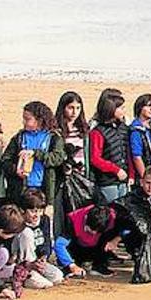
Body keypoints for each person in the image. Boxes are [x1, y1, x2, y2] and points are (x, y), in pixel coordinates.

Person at [0, 100, 65, 203]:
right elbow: (5, 159)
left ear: (39, 120)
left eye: (27, 119)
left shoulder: (53, 138)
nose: (24, 122)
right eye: (23, 119)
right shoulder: (19, 137)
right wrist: (16, 170)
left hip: (44, 189)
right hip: (21, 189)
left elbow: (58, 158)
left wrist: (36, 153)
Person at [52, 91, 90, 237]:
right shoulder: (57, 130)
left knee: (79, 212)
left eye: (78, 108)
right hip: (62, 178)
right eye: (71, 107)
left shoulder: (83, 129)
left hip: (80, 177)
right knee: (61, 213)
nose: (74, 112)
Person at [10, 189, 64, 290]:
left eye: (40, 211)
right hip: (21, 263)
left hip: (37, 261)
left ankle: (35, 272)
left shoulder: (44, 220)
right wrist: (29, 264)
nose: (37, 215)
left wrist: (43, 257)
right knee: (27, 233)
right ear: (23, 210)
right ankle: (24, 275)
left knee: (58, 276)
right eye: (33, 211)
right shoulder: (17, 222)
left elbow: (47, 240)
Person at [53, 203, 119, 277]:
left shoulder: (113, 217)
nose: (93, 233)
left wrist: (116, 239)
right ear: (86, 218)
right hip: (77, 247)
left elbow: (129, 227)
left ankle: (99, 265)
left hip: (97, 246)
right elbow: (59, 244)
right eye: (90, 229)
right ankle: (71, 265)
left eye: (98, 231)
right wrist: (71, 265)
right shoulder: (73, 220)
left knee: (108, 236)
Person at [89, 89, 131, 203]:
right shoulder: (97, 132)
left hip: (124, 181)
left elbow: (128, 154)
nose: (124, 111)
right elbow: (95, 158)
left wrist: (130, 175)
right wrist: (116, 170)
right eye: (121, 108)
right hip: (107, 183)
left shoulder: (124, 128)